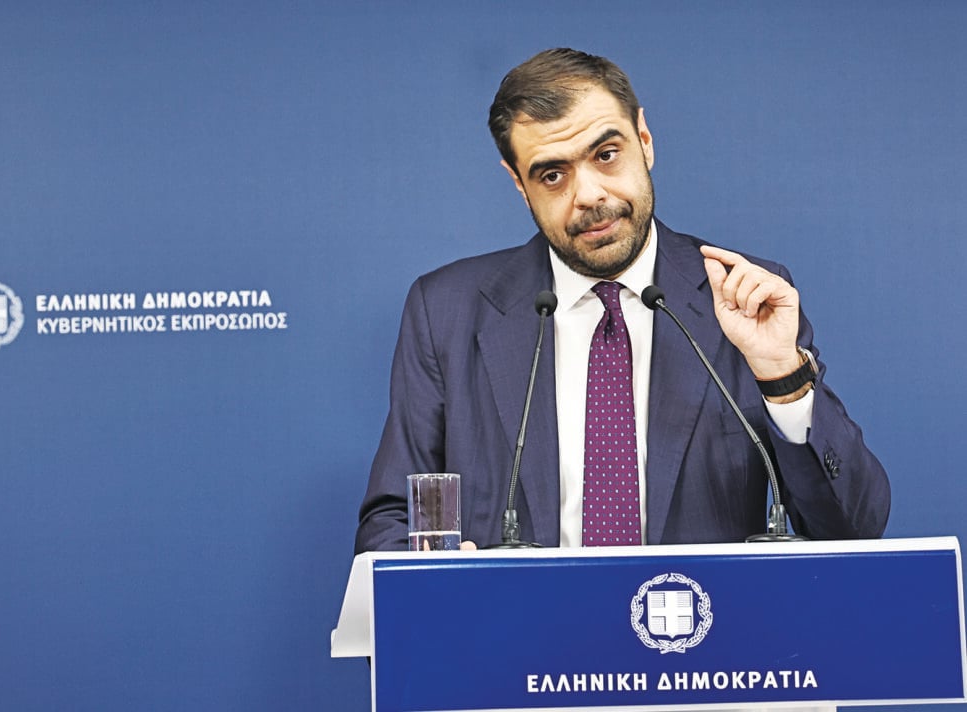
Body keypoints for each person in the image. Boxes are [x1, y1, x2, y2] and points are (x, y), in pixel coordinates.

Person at [355, 48, 889, 552]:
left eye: (607, 154)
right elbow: (391, 522)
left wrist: (782, 377)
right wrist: (437, 573)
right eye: (552, 174)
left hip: (694, 619)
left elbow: (853, 530)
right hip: (517, 621)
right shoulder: (445, 311)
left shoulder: (742, 297)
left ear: (645, 140)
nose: (589, 195)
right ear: (518, 183)